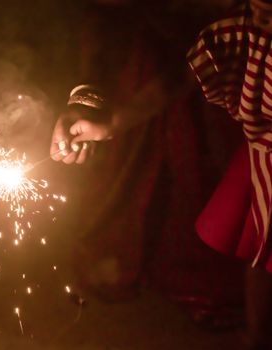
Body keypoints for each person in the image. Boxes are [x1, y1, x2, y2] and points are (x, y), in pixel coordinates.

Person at [50, 0, 247, 333]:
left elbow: (196, 64)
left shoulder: (240, 28)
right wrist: (86, 100)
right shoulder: (117, 27)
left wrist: (118, 119)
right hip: (142, 65)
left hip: (222, 81)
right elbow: (103, 27)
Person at [186, 0, 272, 348]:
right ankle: (256, 332)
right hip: (264, 158)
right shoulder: (244, 36)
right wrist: (107, 117)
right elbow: (175, 78)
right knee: (259, 247)